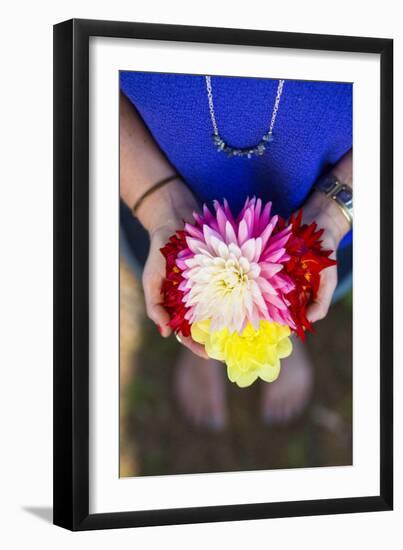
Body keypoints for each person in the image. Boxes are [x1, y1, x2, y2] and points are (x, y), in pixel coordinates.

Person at [120, 73, 352, 430]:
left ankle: (282, 333)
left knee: (306, 283)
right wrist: (156, 201)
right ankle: (210, 343)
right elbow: (79, 77)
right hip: (155, 172)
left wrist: (334, 213)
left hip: (323, 189)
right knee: (179, 284)